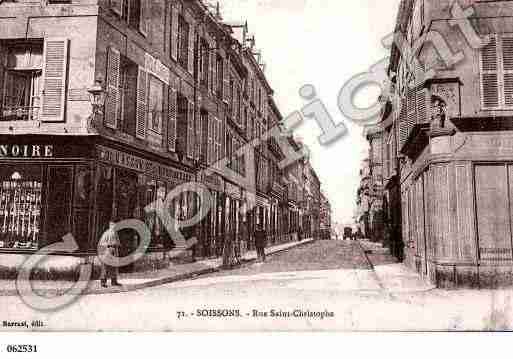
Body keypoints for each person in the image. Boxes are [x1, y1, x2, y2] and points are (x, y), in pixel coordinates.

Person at [98, 219, 122, 288]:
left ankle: (114, 281)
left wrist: (118, 244)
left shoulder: (116, 233)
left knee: (114, 266)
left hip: (115, 250)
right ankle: (103, 282)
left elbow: (118, 242)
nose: (114, 226)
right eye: (113, 225)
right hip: (108, 250)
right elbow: (101, 243)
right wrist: (109, 244)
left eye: (115, 225)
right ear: (110, 225)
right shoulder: (106, 233)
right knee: (105, 266)